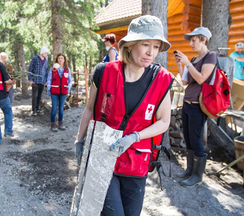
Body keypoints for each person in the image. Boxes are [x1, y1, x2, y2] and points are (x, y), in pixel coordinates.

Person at [75, 15, 173, 216]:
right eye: (145, 44)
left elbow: (164, 121)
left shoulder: (162, 79)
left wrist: (135, 137)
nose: (151, 52)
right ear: (130, 45)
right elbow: (90, 108)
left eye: (156, 47)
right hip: (102, 155)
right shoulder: (104, 72)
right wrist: (79, 140)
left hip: (137, 161)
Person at [173, 27, 217, 187]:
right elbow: (185, 81)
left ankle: (197, 176)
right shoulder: (193, 60)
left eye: (194, 40)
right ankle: (189, 170)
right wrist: (180, 65)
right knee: (188, 138)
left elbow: (201, 79)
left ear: (203, 39)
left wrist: (187, 64)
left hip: (199, 105)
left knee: (196, 139)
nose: (191, 43)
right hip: (187, 103)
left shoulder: (210, 56)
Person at [47, 53, 72, 132]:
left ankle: (60, 123)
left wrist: (69, 87)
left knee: (61, 108)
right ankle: (53, 124)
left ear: (64, 60)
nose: (60, 60)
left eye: (62, 58)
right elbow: (49, 79)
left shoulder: (67, 69)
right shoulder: (53, 68)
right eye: (59, 58)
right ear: (57, 60)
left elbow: (70, 81)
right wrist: (48, 88)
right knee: (54, 108)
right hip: (54, 91)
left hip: (63, 91)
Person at [28, 47, 49, 115]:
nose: (46, 54)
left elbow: (46, 71)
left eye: (47, 53)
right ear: (42, 52)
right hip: (35, 81)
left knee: (39, 96)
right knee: (35, 96)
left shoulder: (46, 61)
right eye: (45, 53)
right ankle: (33, 110)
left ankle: (37, 109)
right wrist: (30, 79)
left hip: (42, 81)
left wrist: (46, 80)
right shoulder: (35, 59)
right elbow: (30, 69)